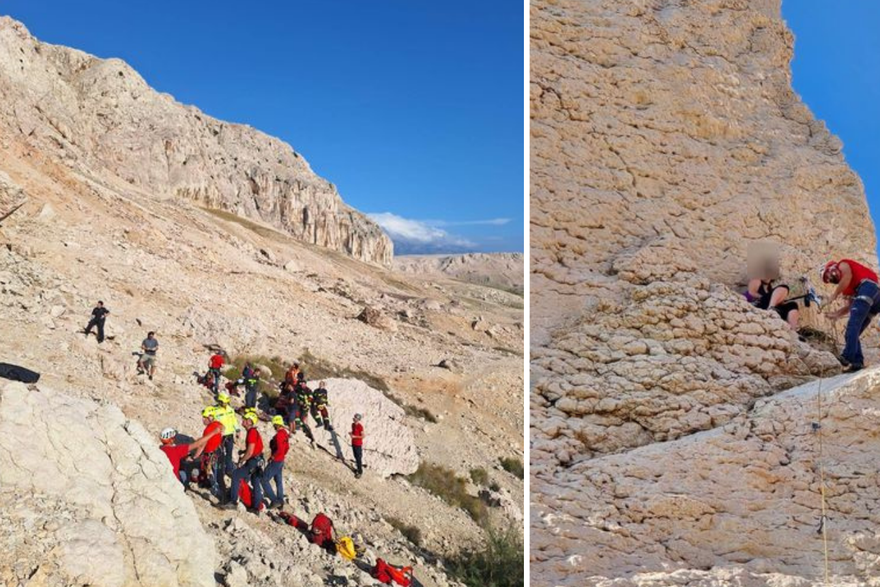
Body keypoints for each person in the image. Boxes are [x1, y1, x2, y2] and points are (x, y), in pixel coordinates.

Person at [821, 259, 880, 372]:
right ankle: (857, 363)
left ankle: (847, 356)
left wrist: (833, 296)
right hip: (874, 299)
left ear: (831, 267)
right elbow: (849, 307)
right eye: (827, 280)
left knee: (853, 325)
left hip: (868, 288)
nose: (828, 279)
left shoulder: (842, 264)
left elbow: (847, 277)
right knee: (851, 333)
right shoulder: (847, 289)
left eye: (826, 275)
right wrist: (836, 315)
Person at [223, 412, 264, 513]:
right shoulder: (253, 432)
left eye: (245, 419)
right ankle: (255, 507)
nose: (243, 420)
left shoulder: (252, 433)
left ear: (250, 422)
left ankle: (233, 502)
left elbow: (250, 452)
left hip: (254, 460)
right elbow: (252, 448)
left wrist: (241, 460)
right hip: (259, 460)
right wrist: (243, 452)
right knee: (255, 482)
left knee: (236, 474)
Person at [192, 407, 226, 498]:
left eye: (205, 417)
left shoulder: (208, 429)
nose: (203, 419)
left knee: (210, 473)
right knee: (217, 473)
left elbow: (201, 446)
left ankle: (217, 493)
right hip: (218, 452)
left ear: (211, 417)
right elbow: (223, 427)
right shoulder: (217, 424)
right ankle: (219, 490)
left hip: (211, 455)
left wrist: (194, 457)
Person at [260, 415, 290, 509]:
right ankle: (280, 500)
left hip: (276, 460)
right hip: (281, 460)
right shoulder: (285, 433)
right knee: (278, 480)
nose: (273, 426)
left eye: (274, 425)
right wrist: (282, 455)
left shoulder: (279, 435)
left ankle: (274, 500)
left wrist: (273, 456)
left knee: (264, 479)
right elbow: (286, 448)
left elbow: (280, 449)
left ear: (277, 424)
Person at [214, 392, 239, 476]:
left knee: (229, 453)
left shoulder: (230, 410)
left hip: (230, 435)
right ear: (220, 401)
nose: (225, 404)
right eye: (223, 403)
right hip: (220, 436)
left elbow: (234, 420)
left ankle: (228, 470)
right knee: (219, 452)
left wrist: (237, 429)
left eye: (226, 403)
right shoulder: (215, 411)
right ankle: (218, 468)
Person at [290, 380, 316, 447]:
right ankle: (298, 426)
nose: (302, 385)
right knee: (297, 415)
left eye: (303, 384)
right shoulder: (299, 389)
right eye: (301, 384)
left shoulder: (308, 390)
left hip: (305, 406)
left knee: (302, 417)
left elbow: (310, 398)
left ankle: (305, 429)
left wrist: (306, 404)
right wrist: (299, 401)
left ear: (305, 384)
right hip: (299, 405)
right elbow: (297, 396)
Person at [349, 413, 365, 479]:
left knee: (358, 458)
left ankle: (360, 472)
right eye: (354, 417)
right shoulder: (352, 425)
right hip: (353, 443)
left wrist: (355, 436)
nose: (354, 418)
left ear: (358, 419)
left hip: (358, 444)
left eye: (355, 417)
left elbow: (363, 436)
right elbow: (353, 432)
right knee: (355, 457)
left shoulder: (360, 426)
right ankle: (358, 469)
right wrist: (351, 433)